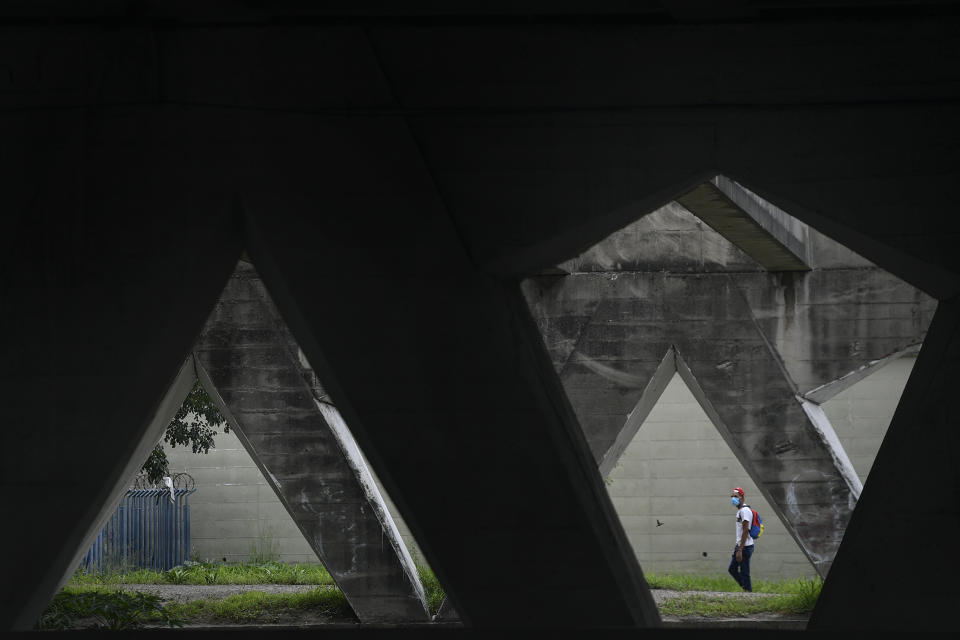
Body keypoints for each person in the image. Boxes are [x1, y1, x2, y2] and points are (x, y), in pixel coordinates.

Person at [728, 486, 754, 592]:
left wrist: (740, 549)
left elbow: (746, 530)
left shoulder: (745, 511)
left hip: (745, 547)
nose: (733, 498)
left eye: (736, 496)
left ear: (742, 497)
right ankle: (746, 589)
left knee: (744, 571)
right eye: (732, 496)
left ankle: (749, 592)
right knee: (732, 569)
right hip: (741, 545)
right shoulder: (740, 511)